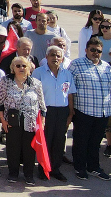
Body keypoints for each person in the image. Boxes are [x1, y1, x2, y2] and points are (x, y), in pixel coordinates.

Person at [0, 55, 47, 185]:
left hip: (31, 123)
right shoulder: (6, 81)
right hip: (12, 122)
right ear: (13, 68)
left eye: (24, 66)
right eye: (18, 66)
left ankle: (29, 174)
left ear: (29, 68)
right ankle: (13, 173)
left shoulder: (36, 83)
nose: (21, 68)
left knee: (29, 149)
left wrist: (41, 124)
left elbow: (42, 105)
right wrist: (3, 120)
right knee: (13, 148)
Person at [69, 36, 111, 180]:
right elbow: (70, 88)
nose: (96, 53)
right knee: (81, 141)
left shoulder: (106, 66)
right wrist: (71, 109)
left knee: (95, 142)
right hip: (84, 111)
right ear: (86, 50)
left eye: (99, 51)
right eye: (93, 50)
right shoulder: (76, 64)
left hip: (103, 112)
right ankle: (80, 167)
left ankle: (93, 167)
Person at [32, 45, 74, 181]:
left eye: (58, 56)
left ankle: (55, 169)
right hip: (45, 111)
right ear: (46, 57)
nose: (55, 58)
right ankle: (43, 168)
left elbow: (70, 94)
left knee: (59, 141)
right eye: (52, 55)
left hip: (62, 111)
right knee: (46, 140)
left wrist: (71, 112)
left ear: (62, 59)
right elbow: (33, 93)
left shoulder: (67, 74)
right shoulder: (38, 73)